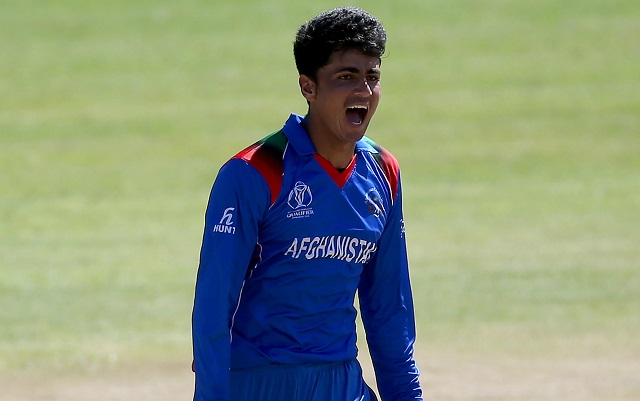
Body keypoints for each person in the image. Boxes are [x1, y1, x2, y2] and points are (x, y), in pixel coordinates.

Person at [192, 7, 422, 401]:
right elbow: (213, 310)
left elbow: (389, 310)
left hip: (340, 381)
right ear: (308, 87)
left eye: (372, 77)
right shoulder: (254, 172)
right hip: (258, 382)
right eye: (346, 77)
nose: (364, 92)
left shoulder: (383, 172)